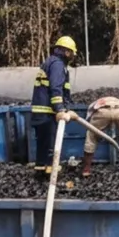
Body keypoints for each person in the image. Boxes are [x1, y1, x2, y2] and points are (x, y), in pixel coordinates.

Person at [31, 36, 79, 173]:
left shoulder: (49, 62)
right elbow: (56, 88)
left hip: (39, 112)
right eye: (72, 53)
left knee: (43, 145)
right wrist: (60, 110)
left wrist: (67, 107)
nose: (73, 57)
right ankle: (51, 174)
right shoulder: (58, 65)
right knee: (51, 145)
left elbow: (64, 91)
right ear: (67, 52)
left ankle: (40, 172)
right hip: (47, 112)